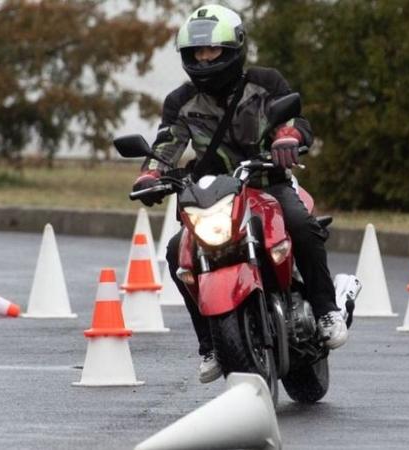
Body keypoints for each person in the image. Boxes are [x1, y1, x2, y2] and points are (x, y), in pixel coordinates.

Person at [131, 4, 347, 383]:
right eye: (197, 52)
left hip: (268, 184)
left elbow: (293, 120)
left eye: (212, 50)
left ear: (234, 49)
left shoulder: (265, 83)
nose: (204, 58)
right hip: (216, 197)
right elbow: (166, 145)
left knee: (300, 224)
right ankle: (211, 344)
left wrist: (288, 139)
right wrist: (150, 176)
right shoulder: (181, 102)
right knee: (176, 252)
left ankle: (327, 310)